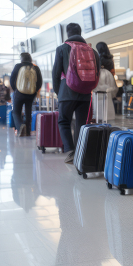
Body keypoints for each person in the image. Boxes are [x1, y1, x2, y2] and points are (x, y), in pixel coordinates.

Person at [52, 23, 101, 163]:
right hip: (86, 93)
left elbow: (56, 73)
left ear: (68, 34)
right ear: (80, 32)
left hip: (66, 92)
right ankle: (80, 152)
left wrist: (58, 92)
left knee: (63, 121)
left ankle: (70, 150)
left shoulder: (61, 49)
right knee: (81, 123)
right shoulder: (93, 51)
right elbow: (97, 72)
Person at [10, 53, 43, 137]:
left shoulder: (18, 66)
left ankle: (21, 126)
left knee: (16, 112)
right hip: (31, 94)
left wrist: (16, 90)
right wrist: (35, 91)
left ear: (22, 59)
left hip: (19, 93)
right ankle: (27, 132)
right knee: (28, 112)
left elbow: (12, 79)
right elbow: (39, 82)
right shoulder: (35, 68)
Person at [92, 42, 117, 122]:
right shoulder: (110, 58)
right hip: (109, 80)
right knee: (107, 105)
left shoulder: (98, 58)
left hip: (100, 78)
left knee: (98, 110)